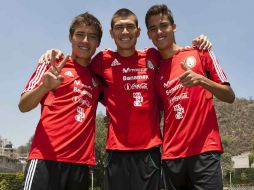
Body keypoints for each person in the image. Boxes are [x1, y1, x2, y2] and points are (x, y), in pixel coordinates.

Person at [38, 8, 211, 190]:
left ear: (138, 32)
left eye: (130, 27)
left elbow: (173, 54)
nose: (125, 32)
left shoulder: (152, 56)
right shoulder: (102, 60)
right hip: (116, 152)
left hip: (149, 152)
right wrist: (54, 54)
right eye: (120, 28)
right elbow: (80, 68)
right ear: (112, 33)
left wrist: (199, 43)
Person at [145, 4, 235, 190]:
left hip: (205, 152)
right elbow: (156, 112)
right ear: (148, 34)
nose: (159, 32)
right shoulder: (156, 69)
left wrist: (202, 80)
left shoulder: (200, 52)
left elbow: (229, 96)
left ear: (174, 27)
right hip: (171, 157)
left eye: (163, 25)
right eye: (153, 29)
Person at [18, 12, 103, 190]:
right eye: (80, 34)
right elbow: (23, 106)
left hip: (80, 165)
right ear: (70, 37)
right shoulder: (53, 64)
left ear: (98, 43)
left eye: (92, 36)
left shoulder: (98, 77)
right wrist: (44, 87)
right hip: (45, 160)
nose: (85, 41)